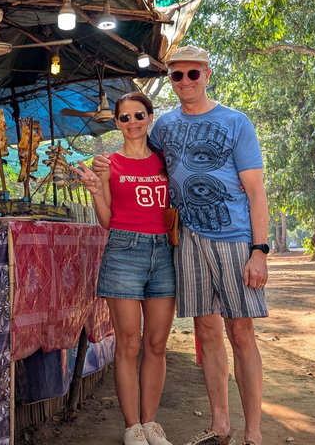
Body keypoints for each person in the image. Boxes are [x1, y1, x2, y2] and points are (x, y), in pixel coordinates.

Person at [93, 46, 269, 445]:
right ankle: (220, 426)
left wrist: (260, 249)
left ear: (208, 74)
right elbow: (134, 162)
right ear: (170, 80)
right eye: (177, 75)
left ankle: (253, 433)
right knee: (206, 332)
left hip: (234, 240)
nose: (186, 81)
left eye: (193, 74)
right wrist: (100, 176)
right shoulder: (164, 129)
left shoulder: (235, 122)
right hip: (186, 240)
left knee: (241, 333)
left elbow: (256, 192)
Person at [72, 92, 176, 445]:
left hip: (165, 254)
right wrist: (93, 190)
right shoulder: (107, 164)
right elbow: (105, 220)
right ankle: (132, 427)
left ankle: (151, 424)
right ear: (117, 123)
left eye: (139, 115)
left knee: (157, 343)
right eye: (125, 117)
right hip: (123, 251)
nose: (132, 122)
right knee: (129, 343)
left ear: (150, 117)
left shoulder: (166, 161)